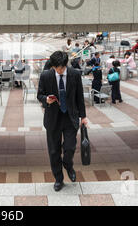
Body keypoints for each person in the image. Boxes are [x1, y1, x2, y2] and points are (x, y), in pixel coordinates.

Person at [37, 51, 87, 192]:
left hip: (70, 117)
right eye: (57, 68)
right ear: (52, 66)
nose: (60, 70)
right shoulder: (46, 75)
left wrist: (83, 116)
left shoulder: (75, 74)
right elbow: (39, 94)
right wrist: (46, 99)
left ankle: (68, 165)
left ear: (66, 65)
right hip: (53, 118)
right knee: (54, 151)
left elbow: (79, 97)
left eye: (62, 68)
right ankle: (58, 179)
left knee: (70, 148)